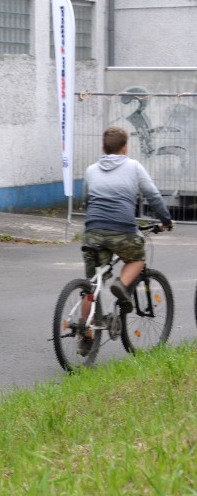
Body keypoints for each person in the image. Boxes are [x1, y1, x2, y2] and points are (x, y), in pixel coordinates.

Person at [79, 126, 173, 351]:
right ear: (125, 147)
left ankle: (86, 336)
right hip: (123, 229)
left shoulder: (92, 170)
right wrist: (166, 220)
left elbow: (86, 200)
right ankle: (122, 285)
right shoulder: (133, 166)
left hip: (93, 231)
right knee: (137, 258)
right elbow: (153, 195)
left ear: (103, 147)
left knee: (92, 286)